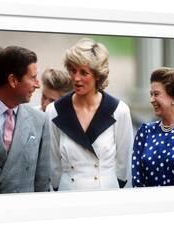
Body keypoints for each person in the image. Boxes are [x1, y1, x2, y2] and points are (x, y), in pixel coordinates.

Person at [46, 38, 134, 191]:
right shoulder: (54, 111)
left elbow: (124, 165)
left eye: (84, 72)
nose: (76, 78)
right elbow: (53, 165)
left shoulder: (119, 111)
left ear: (97, 75)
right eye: (73, 70)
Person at [0, 46, 50, 194]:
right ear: (13, 80)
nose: (38, 84)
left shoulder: (40, 121)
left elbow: (42, 183)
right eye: (32, 78)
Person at [132, 67, 174, 187]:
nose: (151, 100)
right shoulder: (145, 131)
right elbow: (137, 177)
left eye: (156, 94)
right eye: (151, 94)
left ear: (173, 97)